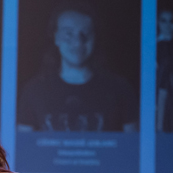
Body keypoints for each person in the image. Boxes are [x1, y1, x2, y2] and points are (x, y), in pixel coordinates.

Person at [17, 3, 137, 132]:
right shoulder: (34, 91)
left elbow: (133, 146)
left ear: (95, 37)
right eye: (69, 34)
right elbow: (23, 146)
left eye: (85, 33)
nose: (78, 42)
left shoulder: (119, 89)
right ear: (56, 37)